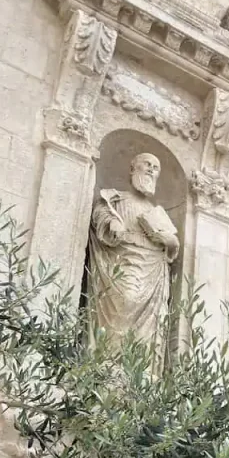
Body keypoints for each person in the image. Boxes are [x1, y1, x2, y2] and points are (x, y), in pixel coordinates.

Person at [87, 153, 179, 375]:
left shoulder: (158, 213)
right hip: (122, 263)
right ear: (132, 169)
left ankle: (140, 372)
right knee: (125, 300)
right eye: (147, 164)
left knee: (151, 320)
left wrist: (169, 241)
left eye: (155, 167)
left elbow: (172, 246)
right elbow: (100, 215)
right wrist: (111, 223)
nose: (151, 170)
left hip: (152, 270)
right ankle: (108, 365)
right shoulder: (114, 200)